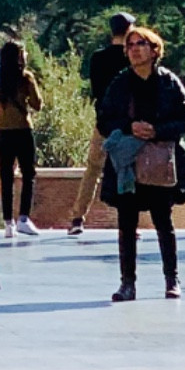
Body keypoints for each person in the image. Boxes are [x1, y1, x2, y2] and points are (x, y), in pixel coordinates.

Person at [98, 23, 185, 302]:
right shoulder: (120, 83)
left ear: (154, 50)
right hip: (127, 164)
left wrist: (157, 130)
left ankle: (171, 279)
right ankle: (127, 283)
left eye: (141, 44)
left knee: (164, 222)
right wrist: (130, 127)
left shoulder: (168, 81)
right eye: (130, 45)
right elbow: (104, 119)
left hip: (160, 162)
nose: (134, 50)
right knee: (127, 223)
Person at [68, 13, 136, 236]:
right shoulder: (132, 59)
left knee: (93, 170)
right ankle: (127, 221)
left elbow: (97, 92)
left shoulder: (98, 58)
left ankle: (78, 217)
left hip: (104, 123)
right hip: (127, 124)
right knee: (127, 171)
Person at [0, 33, 44, 238]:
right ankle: (24, 218)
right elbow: (37, 104)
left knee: (6, 177)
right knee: (28, 174)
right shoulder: (25, 77)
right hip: (23, 131)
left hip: (2, 132)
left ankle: (8, 223)